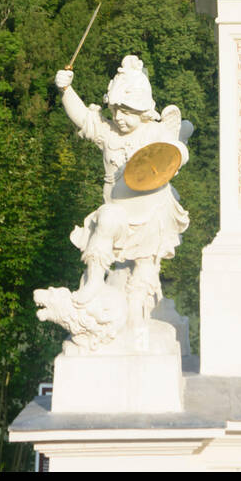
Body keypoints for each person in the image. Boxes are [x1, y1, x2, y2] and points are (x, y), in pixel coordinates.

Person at [53, 55, 192, 329]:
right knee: (105, 221)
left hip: (150, 210)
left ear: (142, 111)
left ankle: (139, 303)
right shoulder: (109, 133)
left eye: (126, 112)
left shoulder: (155, 131)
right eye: (115, 110)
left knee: (145, 261)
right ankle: (94, 281)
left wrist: (177, 156)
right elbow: (83, 118)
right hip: (117, 207)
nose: (119, 117)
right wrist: (66, 90)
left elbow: (176, 151)